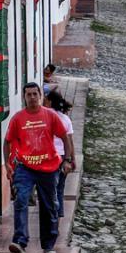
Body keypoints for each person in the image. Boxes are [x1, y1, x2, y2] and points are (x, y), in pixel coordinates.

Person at [4, 82, 73, 253]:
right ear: (24, 97)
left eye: (35, 94)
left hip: (49, 168)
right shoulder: (18, 119)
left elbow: (65, 137)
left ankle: (48, 244)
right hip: (25, 168)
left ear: (40, 95)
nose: (32, 98)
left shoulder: (50, 116)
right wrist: (7, 165)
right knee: (21, 200)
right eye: (29, 95)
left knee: (49, 206)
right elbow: (7, 141)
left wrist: (68, 160)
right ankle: (20, 241)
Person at [44, 90, 75, 218]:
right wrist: (72, 160)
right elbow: (70, 142)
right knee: (60, 187)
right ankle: (58, 213)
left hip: (49, 156)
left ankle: (50, 214)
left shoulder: (44, 115)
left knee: (49, 188)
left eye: (45, 99)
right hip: (63, 156)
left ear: (50, 101)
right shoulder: (66, 119)